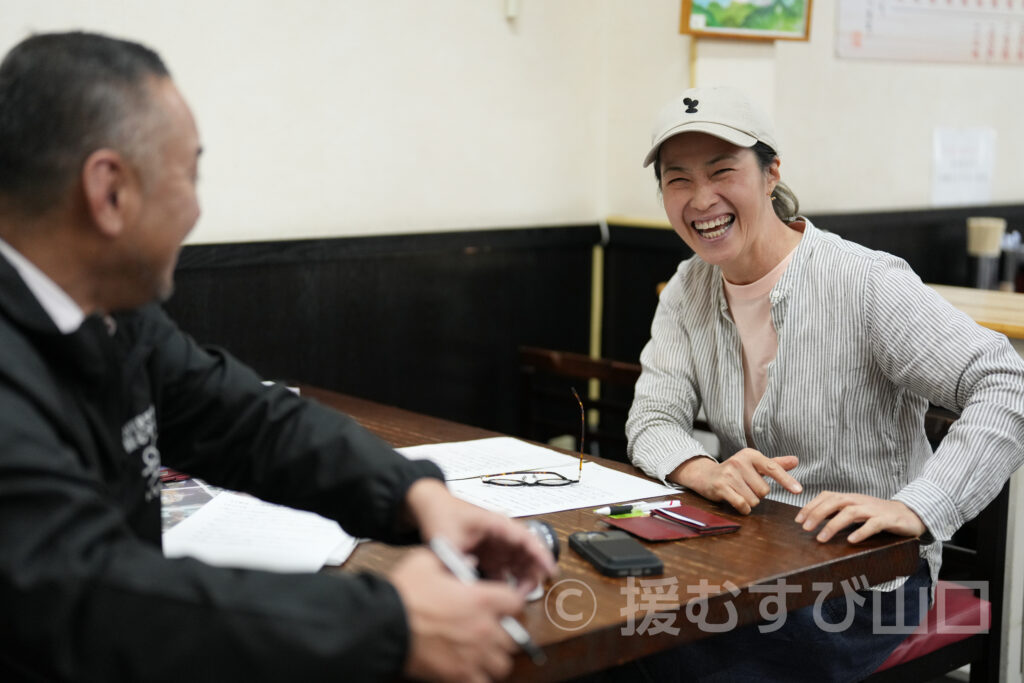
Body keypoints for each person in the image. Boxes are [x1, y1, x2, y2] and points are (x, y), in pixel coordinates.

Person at [0, 31, 556, 682]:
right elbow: (82, 593)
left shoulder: (113, 316)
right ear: (110, 191)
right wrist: (390, 622)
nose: (196, 207)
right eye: (189, 174)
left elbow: (250, 419)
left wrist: (415, 495)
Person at [623, 86, 1024, 681]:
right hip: (751, 558)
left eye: (723, 171)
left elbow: (1006, 381)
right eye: (677, 179)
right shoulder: (688, 289)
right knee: (616, 636)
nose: (701, 199)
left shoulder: (865, 284)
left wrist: (922, 505)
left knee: (683, 661)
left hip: (867, 580)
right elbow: (652, 419)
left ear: (770, 174)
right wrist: (703, 470)